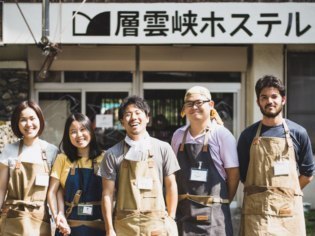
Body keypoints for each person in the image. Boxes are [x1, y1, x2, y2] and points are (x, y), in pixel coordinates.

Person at [237, 75, 315, 235]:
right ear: (258, 102)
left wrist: (284, 194)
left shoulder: (298, 132)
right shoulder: (247, 135)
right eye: (264, 97)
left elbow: (307, 174)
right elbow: (244, 175)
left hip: (288, 212)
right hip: (256, 213)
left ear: (283, 99)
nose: (269, 101)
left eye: (274, 96)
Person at [100, 95, 180, 236]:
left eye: (138, 113)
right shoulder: (112, 154)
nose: (133, 118)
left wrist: (171, 218)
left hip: (157, 226)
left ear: (147, 118)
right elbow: (107, 193)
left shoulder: (163, 148)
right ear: (121, 122)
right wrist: (109, 229)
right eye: (128, 114)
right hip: (125, 226)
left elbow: (171, 185)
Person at [171, 86, 240, 236]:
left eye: (198, 102)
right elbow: (173, 174)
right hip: (184, 213)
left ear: (211, 105)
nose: (194, 107)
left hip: (214, 217)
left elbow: (234, 175)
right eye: (189, 103)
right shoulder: (178, 136)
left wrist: (221, 201)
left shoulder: (222, 135)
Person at [0, 100, 59, 235]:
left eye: (32, 118)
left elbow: (54, 191)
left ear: (40, 120)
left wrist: (57, 217)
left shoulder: (51, 151)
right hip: (11, 217)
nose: (29, 124)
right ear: (17, 123)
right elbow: (1, 189)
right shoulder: (9, 150)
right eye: (23, 120)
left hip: (39, 220)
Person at [47, 113, 105, 236]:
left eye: (83, 129)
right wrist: (58, 215)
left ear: (91, 131)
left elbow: (111, 193)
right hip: (67, 229)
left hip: (99, 229)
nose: (78, 135)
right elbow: (53, 191)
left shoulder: (104, 158)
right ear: (67, 136)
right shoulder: (62, 159)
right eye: (73, 131)